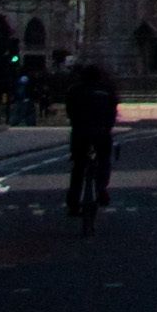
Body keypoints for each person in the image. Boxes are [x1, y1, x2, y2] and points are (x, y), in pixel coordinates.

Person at [61, 57, 119, 227]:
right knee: (104, 160)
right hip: (101, 132)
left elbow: (70, 112)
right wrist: (107, 127)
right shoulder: (107, 90)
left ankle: (73, 203)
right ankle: (101, 190)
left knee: (78, 167)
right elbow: (112, 113)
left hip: (80, 133)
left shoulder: (74, 90)